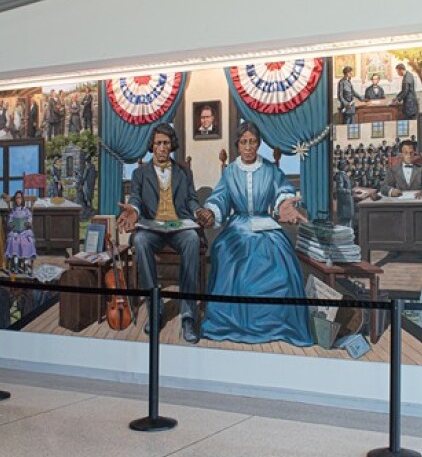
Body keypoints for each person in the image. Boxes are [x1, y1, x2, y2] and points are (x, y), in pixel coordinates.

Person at [196, 121, 312, 346]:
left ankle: (276, 322)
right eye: (243, 142)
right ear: (237, 145)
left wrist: (284, 204)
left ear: (259, 144)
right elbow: (220, 198)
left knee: (281, 255)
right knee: (228, 251)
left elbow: (283, 191)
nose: (248, 147)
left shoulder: (270, 169)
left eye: (253, 142)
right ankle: (233, 321)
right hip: (237, 223)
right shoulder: (230, 172)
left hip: (265, 222)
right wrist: (211, 211)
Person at [117, 124, 203, 342]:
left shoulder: (185, 172)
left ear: (171, 145)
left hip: (178, 227)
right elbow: (135, 198)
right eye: (158, 143)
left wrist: (197, 210)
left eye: (166, 143)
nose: (162, 147)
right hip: (153, 228)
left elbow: (192, 199)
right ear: (152, 146)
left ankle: (188, 315)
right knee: (142, 239)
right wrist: (134, 212)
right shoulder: (139, 174)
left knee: (192, 238)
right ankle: (155, 309)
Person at [5, 191, 37, 274]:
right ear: (15, 200)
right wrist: (11, 224)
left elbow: (30, 220)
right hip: (15, 231)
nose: (18, 200)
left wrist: (27, 223)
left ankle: (26, 266)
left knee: (26, 243)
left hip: (24, 231)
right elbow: (9, 221)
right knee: (14, 241)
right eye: (16, 198)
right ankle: (15, 266)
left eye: (20, 198)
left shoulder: (26, 210)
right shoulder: (13, 211)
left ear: (22, 199)